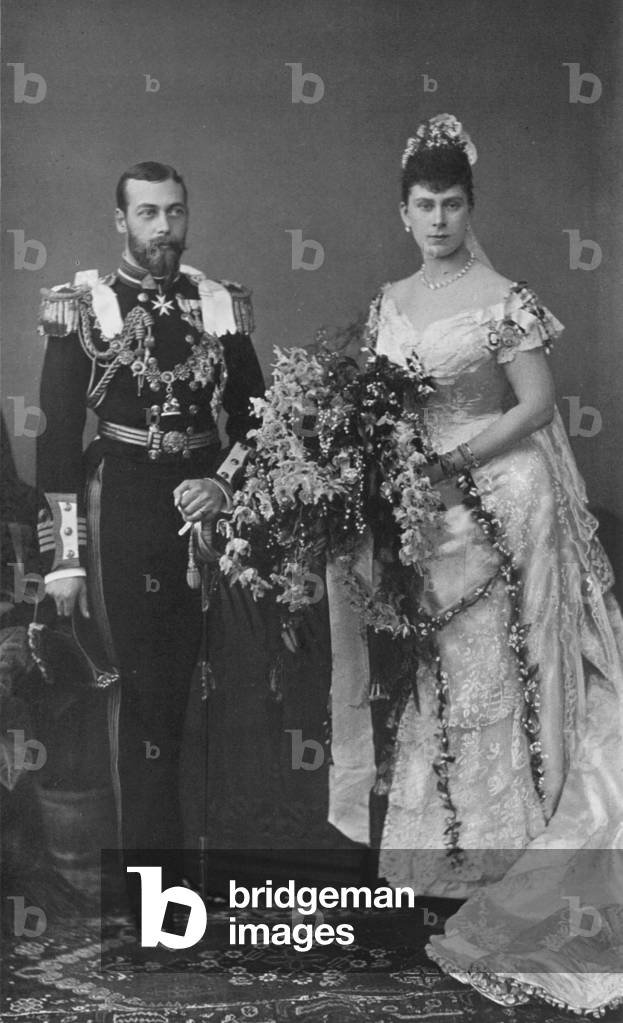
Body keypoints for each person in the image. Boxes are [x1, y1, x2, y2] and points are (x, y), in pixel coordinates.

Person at [329, 115, 623, 1015]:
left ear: (469, 207)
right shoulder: (386, 302)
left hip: (508, 498)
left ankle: (515, 853)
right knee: (441, 676)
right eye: (424, 204)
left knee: (508, 672)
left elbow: (535, 406)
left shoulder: (505, 296)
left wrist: (455, 462)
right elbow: (382, 412)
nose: (439, 218)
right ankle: (445, 858)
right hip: (431, 517)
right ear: (403, 209)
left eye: (453, 203)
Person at [36, 162, 264, 883]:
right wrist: (66, 560)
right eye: (146, 214)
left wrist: (222, 488)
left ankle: (202, 872)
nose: (162, 228)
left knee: (203, 690)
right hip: (122, 511)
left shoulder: (217, 302)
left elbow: (258, 422)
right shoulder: (85, 306)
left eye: (174, 212)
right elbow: (57, 441)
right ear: (120, 221)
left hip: (202, 514)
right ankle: (150, 889)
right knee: (137, 696)